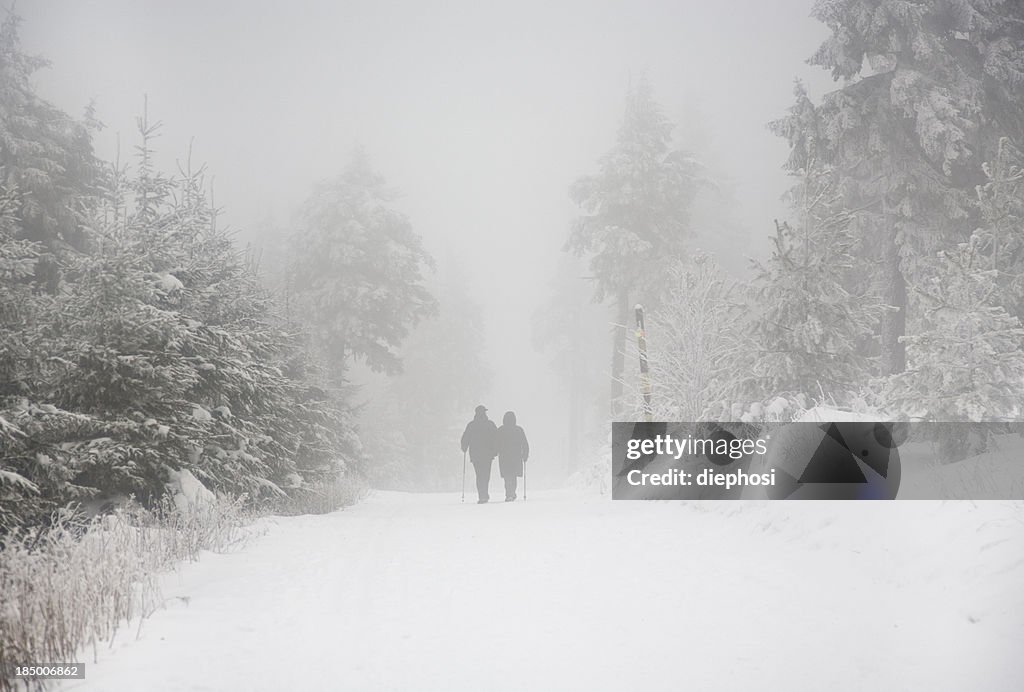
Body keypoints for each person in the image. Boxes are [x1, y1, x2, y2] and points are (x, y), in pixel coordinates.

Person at [460, 405, 497, 503]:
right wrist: (495, 450)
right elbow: (496, 437)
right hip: (488, 455)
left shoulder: (471, 425)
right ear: (484, 413)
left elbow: (465, 438)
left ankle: (482, 495)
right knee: (486, 475)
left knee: (479, 475)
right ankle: (484, 494)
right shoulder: (489, 424)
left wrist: (464, 447)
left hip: (475, 455)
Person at [495, 411, 529, 502]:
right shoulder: (518, 430)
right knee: (513, 476)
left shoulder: (500, 430)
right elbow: (525, 444)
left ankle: (509, 494)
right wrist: (525, 455)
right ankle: (512, 493)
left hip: (504, 457)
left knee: (507, 476)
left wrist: (496, 452)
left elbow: (496, 443)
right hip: (516, 457)